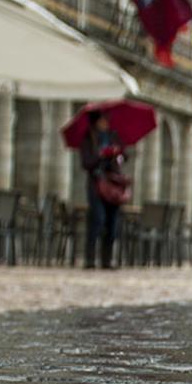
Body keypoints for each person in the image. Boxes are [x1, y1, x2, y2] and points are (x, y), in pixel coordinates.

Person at [79, 111, 126, 271]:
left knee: (112, 223)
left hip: (113, 186)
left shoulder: (113, 136)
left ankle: (107, 260)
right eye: (104, 119)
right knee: (97, 220)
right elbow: (86, 163)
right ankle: (90, 259)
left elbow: (125, 156)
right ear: (96, 121)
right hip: (97, 186)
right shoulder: (89, 138)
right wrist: (100, 155)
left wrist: (117, 153)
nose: (107, 122)